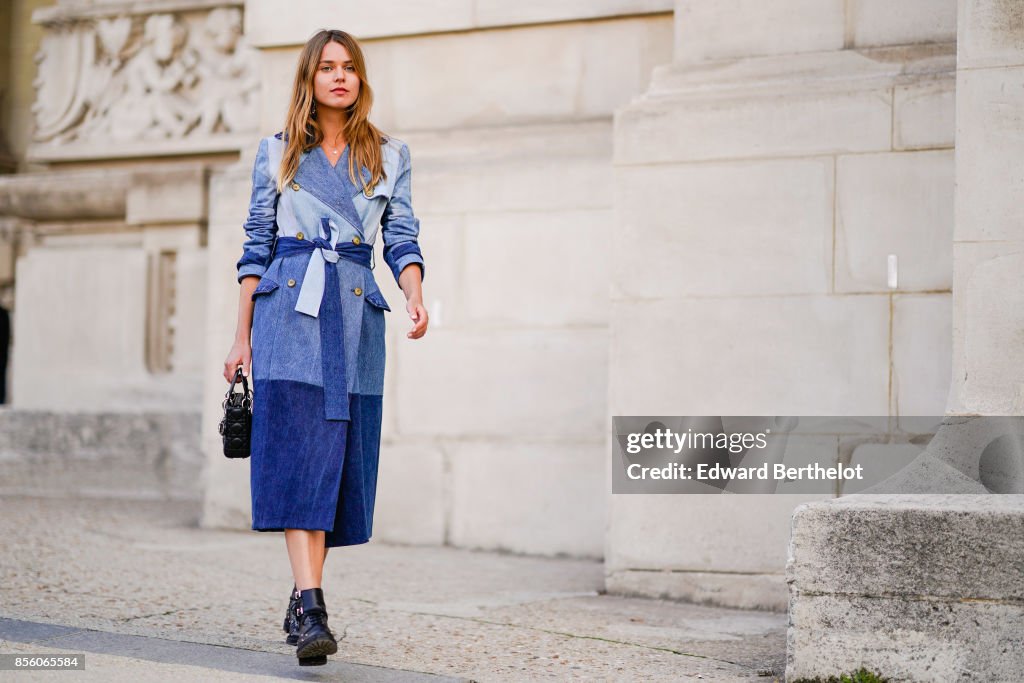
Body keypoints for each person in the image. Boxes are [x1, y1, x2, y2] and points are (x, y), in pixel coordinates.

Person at [222, 28, 428, 667]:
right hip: (288, 315)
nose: (339, 77)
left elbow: (402, 234)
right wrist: (240, 337)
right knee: (299, 455)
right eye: (327, 68)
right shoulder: (276, 153)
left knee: (336, 464)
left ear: (361, 79)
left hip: (357, 318)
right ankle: (313, 608)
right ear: (309, 79)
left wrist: (416, 294)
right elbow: (256, 243)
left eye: (350, 68)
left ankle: (301, 594)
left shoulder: (390, 155)